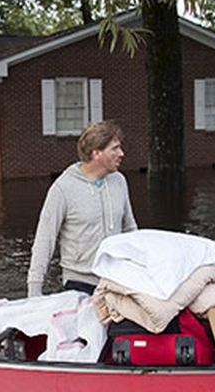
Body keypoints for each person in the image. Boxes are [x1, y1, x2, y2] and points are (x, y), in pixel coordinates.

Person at [27, 120, 137, 297]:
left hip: (115, 279)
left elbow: (130, 230)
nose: (121, 153)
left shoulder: (119, 181)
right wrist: (34, 290)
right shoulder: (63, 188)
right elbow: (44, 240)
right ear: (96, 153)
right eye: (115, 148)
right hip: (80, 283)